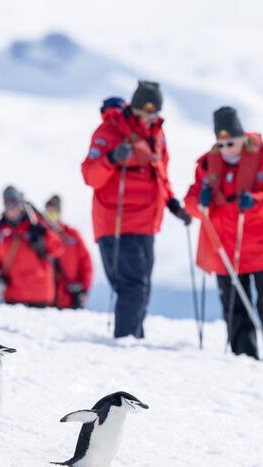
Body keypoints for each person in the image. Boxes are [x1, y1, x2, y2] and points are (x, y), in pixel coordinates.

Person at [183, 106, 263, 365]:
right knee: (235, 310)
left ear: (242, 136)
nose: (225, 149)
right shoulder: (208, 164)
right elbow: (190, 202)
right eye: (220, 144)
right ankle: (245, 361)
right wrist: (199, 201)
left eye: (230, 142)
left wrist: (256, 201)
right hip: (226, 249)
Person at [80, 81, 191, 338]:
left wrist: (172, 203)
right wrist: (110, 159)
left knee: (142, 288)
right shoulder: (109, 131)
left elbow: (160, 174)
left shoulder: (156, 134)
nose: (152, 117)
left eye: (156, 112)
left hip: (147, 223)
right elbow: (90, 175)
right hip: (117, 222)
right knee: (133, 287)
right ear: (135, 107)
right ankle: (126, 342)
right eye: (147, 111)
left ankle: (132, 339)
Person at [0, 186, 64, 307]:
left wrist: (44, 233)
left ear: (21, 203)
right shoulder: (1, 230)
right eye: (7, 204)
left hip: (39, 297)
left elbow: (58, 248)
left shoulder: (36, 222)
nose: (11, 208)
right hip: (12, 297)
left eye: (13, 203)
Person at [43, 195, 93, 309]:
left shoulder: (72, 235)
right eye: (48, 213)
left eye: (54, 213)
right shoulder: (40, 236)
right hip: (45, 298)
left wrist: (84, 289)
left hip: (69, 297)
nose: (51, 218)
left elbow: (86, 263)